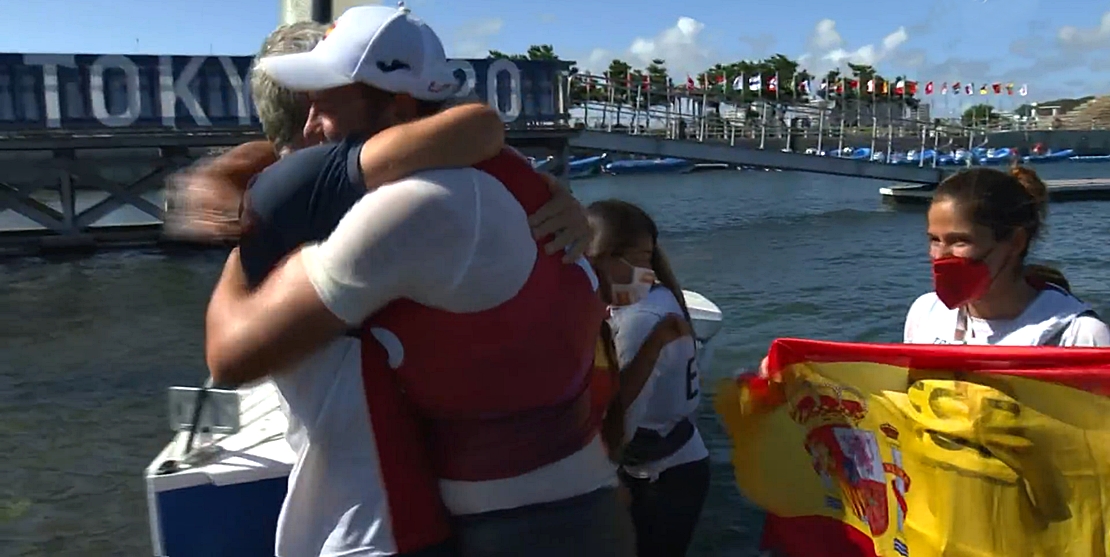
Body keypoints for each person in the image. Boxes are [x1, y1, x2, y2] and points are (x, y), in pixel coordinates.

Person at [203, 5, 634, 557]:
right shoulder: (508, 174)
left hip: (525, 530)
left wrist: (251, 228)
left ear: (398, 105)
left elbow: (230, 357)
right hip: (570, 507)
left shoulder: (417, 208)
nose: (310, 126)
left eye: (325, 105)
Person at [585, 199, 710, 557]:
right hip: (676, 459)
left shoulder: (640, 318)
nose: (645, 271)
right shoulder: (658, 300)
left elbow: (622, 415)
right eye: (635, 259)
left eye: (646, 259)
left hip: (659, 475)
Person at [903, 165, 1110, 346]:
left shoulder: (1078, 335)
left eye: (960, 241)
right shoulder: (925, 312)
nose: (940, 255)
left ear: (1016, 242)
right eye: (934, 240)